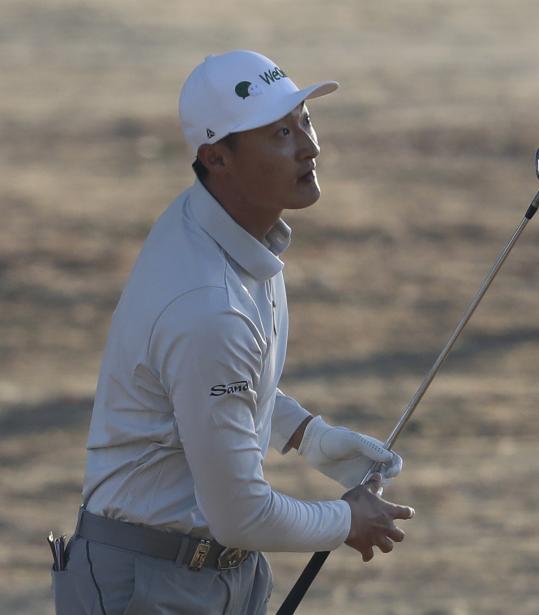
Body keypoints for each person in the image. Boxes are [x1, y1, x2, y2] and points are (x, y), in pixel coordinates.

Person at [51, 50, 415, 614]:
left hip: (218, 575)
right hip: (147, 588)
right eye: (278, 134)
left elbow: (210, 386)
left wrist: (308, 435)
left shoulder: (226, 230)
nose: (309, 147)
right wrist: (345, 519)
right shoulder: (209, 305)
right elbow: (242, 514)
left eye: (303, 122)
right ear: (216, 158)